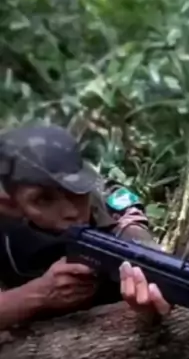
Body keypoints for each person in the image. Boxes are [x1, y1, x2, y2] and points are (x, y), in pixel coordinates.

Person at [0, 123, 170, 330]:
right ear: (10, 204)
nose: (71, 211)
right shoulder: (6, 222)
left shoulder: (106, 198)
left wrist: (148, 267)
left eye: (75, 189)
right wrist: (39, 293)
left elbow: (133, 231)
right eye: (44, 199)